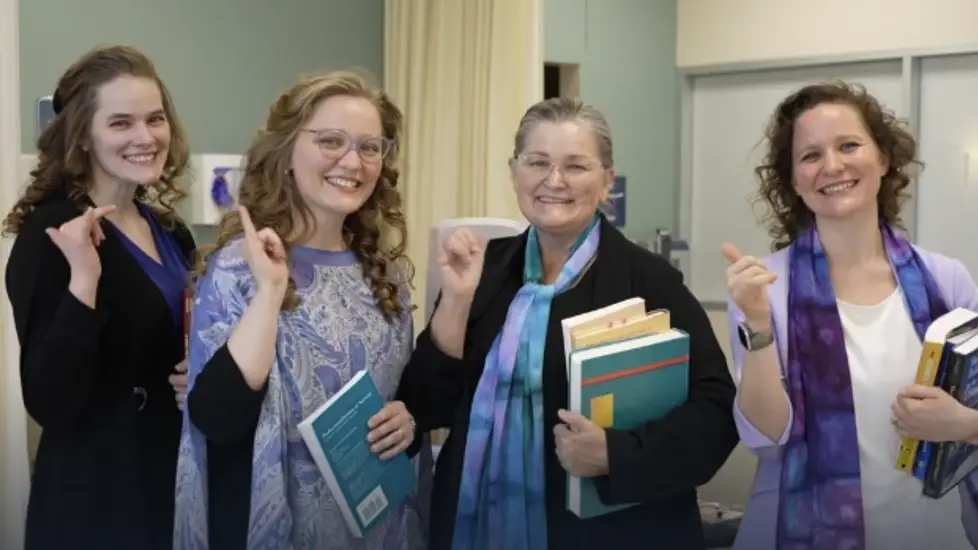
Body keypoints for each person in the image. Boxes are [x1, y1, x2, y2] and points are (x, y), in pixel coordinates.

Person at [396, 96, 740, 550]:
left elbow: (716, 412)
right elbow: (425, 408)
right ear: (514, 171)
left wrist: (616, 454)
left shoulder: (648, 281)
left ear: (607, 181)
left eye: (576, 166)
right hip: (475, 526)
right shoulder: (485, 270)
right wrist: (456, 300)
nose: (553, 181)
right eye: (537, 162)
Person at [173, 71, 432, 550]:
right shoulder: (242, 268)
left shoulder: (385, 275)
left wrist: (408, 420)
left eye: (370, 147)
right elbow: (217, 418)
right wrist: (271, 293)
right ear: (287, 152)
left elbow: (401, 393)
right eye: (331, 140)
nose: (352, 161)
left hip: (382, 525)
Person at [726, 80, 978, 550]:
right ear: (795, 181)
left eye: (848, 145)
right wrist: (757, 324)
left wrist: (965, 425)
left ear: (883, 159)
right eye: (810, 155)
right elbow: (766, 436)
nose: (833, 166)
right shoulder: (765, 288)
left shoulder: (948, 281)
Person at [3, 45, 194, 550]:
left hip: (168, 474)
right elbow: (50, 398)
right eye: (121, 123)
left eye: (155, 119)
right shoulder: (53, 232)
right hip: (97, 495)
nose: (145, 137)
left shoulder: (172, 230)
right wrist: (84, 280)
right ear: (83, 136)